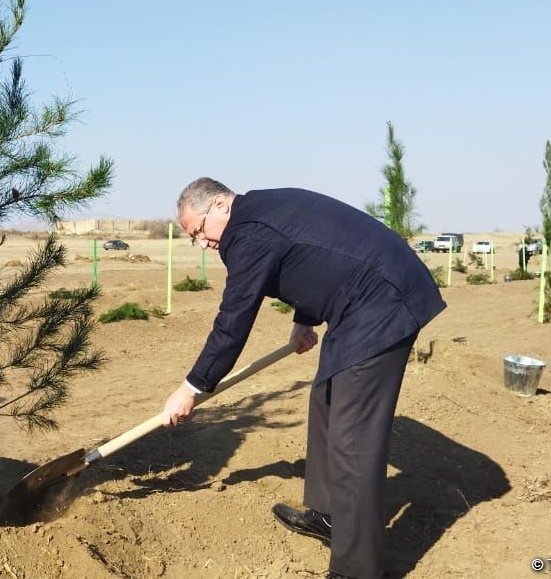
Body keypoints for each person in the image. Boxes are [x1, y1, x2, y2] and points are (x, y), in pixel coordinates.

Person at [162, 178, 446, 579]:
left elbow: (233, 321)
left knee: (352, 442)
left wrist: (192, 387)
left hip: (383, 301)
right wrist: (304, 319)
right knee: (326, 399)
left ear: (221, 206)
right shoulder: (259, 212)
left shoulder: (246, 233)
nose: (202, 243)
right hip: (360, 299)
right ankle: (329, 516)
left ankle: (356, 569)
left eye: (198, 231)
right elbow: (315, 255)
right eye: (193, 238)